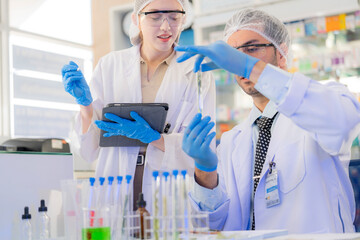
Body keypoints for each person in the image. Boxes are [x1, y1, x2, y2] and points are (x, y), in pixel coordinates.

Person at [175, 8, 360, 233]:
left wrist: (250, 67)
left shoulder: (317, 106)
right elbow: (213, 225)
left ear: (281, 53)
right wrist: (205, 171)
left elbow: (342, 120)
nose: (238, 61)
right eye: (233, 55)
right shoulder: (233, 141)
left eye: (251, 49)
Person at [61, 0, 215, 212]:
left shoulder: (197, 71)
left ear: (183, 20)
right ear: (136, 19)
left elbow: (202, 148)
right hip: (115, 188)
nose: (165, 26)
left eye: (174, 17)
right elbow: (88, 150)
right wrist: (85, 107)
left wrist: (156, 138)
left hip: (169, 191)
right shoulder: (110, 65)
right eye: (155, 16)